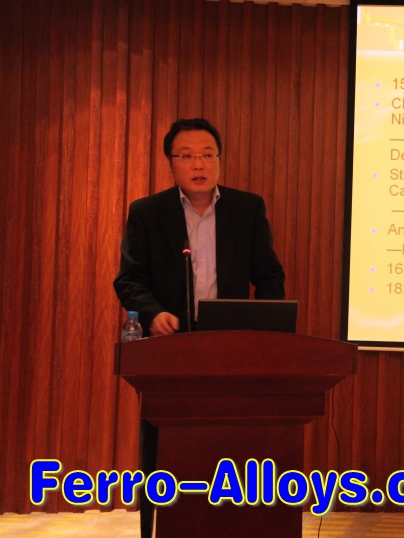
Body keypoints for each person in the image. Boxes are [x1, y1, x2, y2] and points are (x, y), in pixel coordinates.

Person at [113, 118, 285, 538]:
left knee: (232, 446)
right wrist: (153, 313)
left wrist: (265, 327)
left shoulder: (246, 209)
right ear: (171, 162)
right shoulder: (148, 213)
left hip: (231, 349)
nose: (198, 164)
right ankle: (156, 525)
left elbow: (269, 275)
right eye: (187, 155)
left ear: (219, 159)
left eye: (208, 154)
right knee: (165, 447)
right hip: (170, 348)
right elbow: (129, 280)